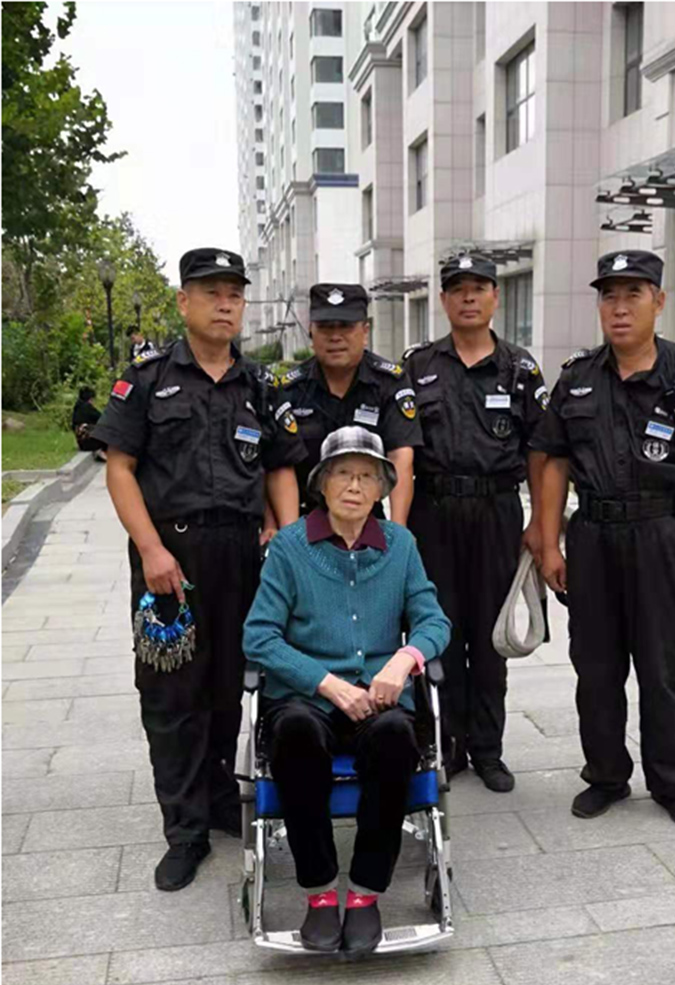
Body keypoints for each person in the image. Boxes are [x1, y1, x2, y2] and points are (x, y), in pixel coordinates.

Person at [92, 247, 307, 891]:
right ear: (184, 301)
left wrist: (284, 534)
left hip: (242, 557)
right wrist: (151, 549)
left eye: (234, 294)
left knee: (229, 686)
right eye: (211, 292)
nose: (224, 304)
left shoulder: (261, 386)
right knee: (172, 695)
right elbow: (119, 468)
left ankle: (216, 799)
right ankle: (183, 832)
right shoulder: (148, 380)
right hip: (172, 559)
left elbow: (281, 467)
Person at [536, 249, 675, 829]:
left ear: (659, 301)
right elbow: (553, 463)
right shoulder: (577, 378)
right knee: (596, 667)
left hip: (667, 537)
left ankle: (672, 781)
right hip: (595, 537)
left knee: (667, 667)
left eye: (633, 295)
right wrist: (550, 544)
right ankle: (605, 776)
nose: (620, 308)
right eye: (609, 296)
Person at [243, 426, 451, 956]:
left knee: (396, 738)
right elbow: (259, 636)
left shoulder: (400, 546)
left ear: (382, 488)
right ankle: (317, 892)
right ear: (321, 483)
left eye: (366, 476)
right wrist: (328, 683)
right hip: (306, 697)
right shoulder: (290, 547)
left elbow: (433, 620)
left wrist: (404, 660)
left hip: (379, 700)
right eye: (342, 474)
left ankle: (364, 893)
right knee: (294, 732)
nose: (354, 486)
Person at [403, 253, 549, 793]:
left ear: (495, 296)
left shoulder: (519, 369)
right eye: (458, 289)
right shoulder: (417, 366)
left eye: (479, 287)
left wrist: (541, 524)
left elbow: (541, 451)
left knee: (490, 636)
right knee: (439, 631)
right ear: (443, 300)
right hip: (434, 512)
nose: (468, 297)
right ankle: (448, 745)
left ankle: (488, 750)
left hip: (495, 512)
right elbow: (402, 453)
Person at [279, 283, 422, 525]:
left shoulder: (389, 383)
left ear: (365, 331)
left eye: (345, 326)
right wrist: (289, 536)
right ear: (311, 331)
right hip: (305, 520)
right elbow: (281, 465)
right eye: (325, 326)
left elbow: (400, 457)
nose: (335, 337)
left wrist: (398, 533)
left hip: (369, 522)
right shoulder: (290, 389)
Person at [71, 386, 106, 462]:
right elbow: (101, 418)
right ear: (90, 399)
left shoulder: (77, 408)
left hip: (81, 442)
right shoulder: (88, 408)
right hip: (90, 442)